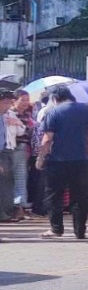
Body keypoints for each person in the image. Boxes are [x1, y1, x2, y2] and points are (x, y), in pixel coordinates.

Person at [36, 85, 88, 239]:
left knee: (54, 195)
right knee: (81, 196)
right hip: (82, 160)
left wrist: (40, 158)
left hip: (58, 161)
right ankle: (80, 231)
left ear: (55, 99)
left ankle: (56, 229)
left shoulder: (54, 112)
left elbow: (47, 139)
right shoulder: (86, 110)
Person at [12, 90, 35, 218]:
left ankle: (21, 206)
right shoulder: (10, 114)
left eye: (27, 100)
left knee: (21, 178)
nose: (25, 103)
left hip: (23, 149)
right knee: (14, 178)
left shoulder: (27, 115)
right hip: (12, 149)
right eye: (22, 100)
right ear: (14, 101)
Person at [0, 91, 21, 224]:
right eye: (5, 103)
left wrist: (16, 123)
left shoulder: (5, 116)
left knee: (6, 183)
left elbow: (23, 129)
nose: (8, 106)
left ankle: (5, 212)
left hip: (6, 151)